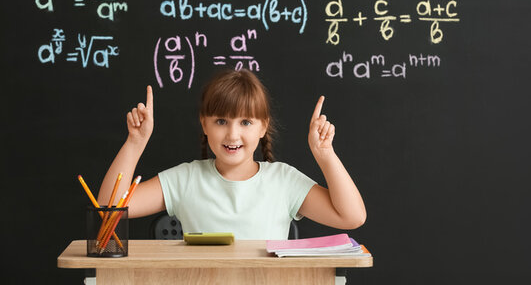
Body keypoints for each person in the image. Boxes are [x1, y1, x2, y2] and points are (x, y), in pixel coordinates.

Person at [96, 69, 366, 240]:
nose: (233, 135)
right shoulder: (186, 178)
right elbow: (110, 210)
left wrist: (325, 154)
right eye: (221, 121)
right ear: (204, 124)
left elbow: (352, 217)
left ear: (263, 127)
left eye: (245, 122)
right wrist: (135, 142)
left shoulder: (284, 181)